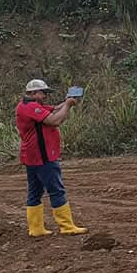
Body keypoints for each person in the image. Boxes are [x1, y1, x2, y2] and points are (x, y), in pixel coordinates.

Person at [15, 79, 88, 237]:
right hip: (42, 156)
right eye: (44, 93)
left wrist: (67, 102)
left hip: (32, 156)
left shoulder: (28, 105)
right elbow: (55, 120)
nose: (45, 96)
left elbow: (54, 109)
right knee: (56, 190)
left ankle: (36, 228)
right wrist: (67, 105)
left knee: (35, 191)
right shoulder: (31, 107)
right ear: (34, 93)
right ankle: (66, 226)